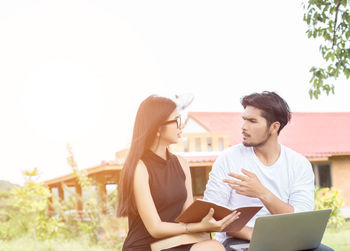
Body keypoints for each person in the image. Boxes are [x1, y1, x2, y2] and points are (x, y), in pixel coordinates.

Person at [203, 91, 333, 251]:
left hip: (289, 240)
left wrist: (262, 193)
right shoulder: (228, 159)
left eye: (252, 121)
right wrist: (253, 234)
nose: (243, 127)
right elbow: (213, 212)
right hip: (240, 241)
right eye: (244, 120)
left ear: (274, 127)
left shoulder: (299, 164)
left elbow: (300, 219)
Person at [117, 95, 240, 251]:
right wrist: (195, 227)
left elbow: (187, 215)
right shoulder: (139, 167)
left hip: (173, 242)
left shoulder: (182, 163)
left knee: (214, 246)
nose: (180, 126)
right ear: (157, 128)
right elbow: (155, 228)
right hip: (144, 246)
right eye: (176, 121)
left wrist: (210, 222)